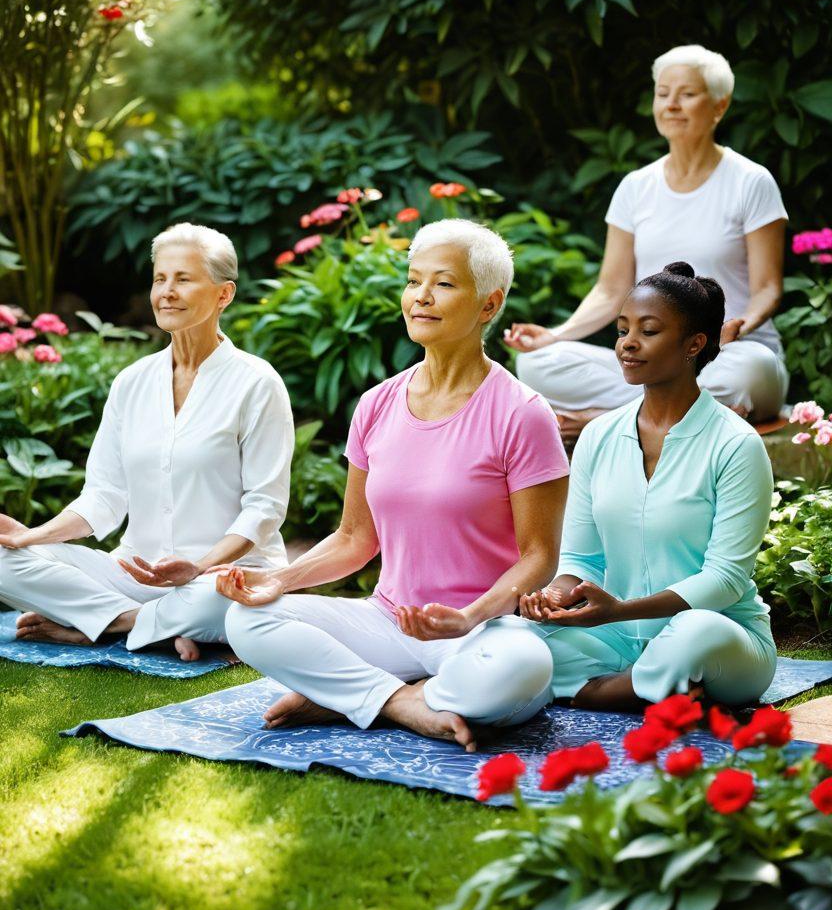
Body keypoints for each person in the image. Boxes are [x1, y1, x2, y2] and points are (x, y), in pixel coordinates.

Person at [208, 220, 569, 750]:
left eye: (444, 283)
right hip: (387, 619)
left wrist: (468, 617)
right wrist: (279, 581)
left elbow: (539, 557)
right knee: (247, 620)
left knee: (519, 673)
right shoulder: (376, 404)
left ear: (488, 305)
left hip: (480, 629)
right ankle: (399, 700)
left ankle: (347, 695)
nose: (421, 296)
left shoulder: (523, 414)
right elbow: (355, 538)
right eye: (414, 280)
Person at [0, 223, 293, 659]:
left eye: (183, 279)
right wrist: (32, 537)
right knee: (2, 560)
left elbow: (264, 508)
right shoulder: (131, 382)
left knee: (223, 602)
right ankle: (142, 623)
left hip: (220, 576)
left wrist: (199, 565)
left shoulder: (257, 383)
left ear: (224, 294)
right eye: (160, 279)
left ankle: (103, 623)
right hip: (133, 574)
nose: (167, 292)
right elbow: (104, 496)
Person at [519, 261, 777, 710]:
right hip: (617, 637)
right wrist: (554, 597)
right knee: (515, 636)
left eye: (649, 331)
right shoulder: (598, 436)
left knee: (695, 631)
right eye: (623, 330)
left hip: (719, 638)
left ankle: (605, 689)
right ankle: (649, 688)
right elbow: (581, 557)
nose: (627, 343)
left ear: (694, 344)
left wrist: (621, 609)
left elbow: (725, 580)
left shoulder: (736, 444)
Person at [504, 45, 789, 442]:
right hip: (653, 360)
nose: (671, 104)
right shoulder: (635, 187)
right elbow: (611, 290)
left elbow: (768, 289)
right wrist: (557, 335)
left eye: (687, 94)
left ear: (719, 105)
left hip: (729, 356)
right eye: (663, 93)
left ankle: (604, 419)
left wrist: (738, 326)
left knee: (752, 370)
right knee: (537, 363)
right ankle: (681, 414)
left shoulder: (751, 181)